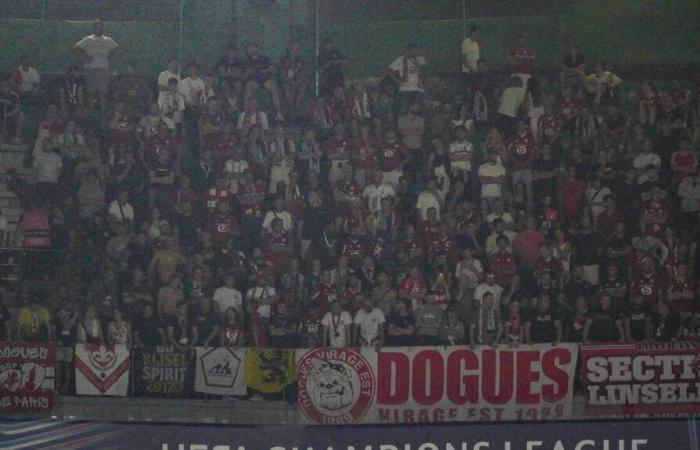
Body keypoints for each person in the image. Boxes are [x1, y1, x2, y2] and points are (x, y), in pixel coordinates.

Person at [73, 20, 118, 107]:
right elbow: (75, 47)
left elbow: (117, 48)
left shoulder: (107, 40)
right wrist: (85, 55)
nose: (99, 28)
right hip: (91, 68)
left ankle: (103, 112)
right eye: (97, 27)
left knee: (103, 93)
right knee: (90, 93)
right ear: (94, 28)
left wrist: (111, 58)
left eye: (100, 26)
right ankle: (91, 112)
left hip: (103, 68)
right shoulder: (88, 39)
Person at [388, 43, 426, 116]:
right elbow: (390, 70)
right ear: (408, 50)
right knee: (404, 111)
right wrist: (398, 81)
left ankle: (418, 126)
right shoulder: (400, 59)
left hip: (419, 88)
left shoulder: (420, 59)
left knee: (419, 110)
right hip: (406, 89)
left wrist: (417, 64)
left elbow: (423, 71)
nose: (415, 51)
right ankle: (403, 126)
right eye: (413, 50)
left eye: (416, 50)